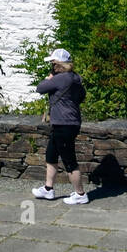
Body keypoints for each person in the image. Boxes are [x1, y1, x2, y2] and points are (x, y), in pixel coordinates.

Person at [32, 48, 89, 205]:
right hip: (66, 123)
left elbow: (40, 88)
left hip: (64, 124)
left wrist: (49, 78)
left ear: (58, 64)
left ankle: (80, 194)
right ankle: (48, 189)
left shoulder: (61, 78)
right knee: (51, 155)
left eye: (52, 63)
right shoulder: (75, 78)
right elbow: (81, 96)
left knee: (69, 161)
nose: (51, 66)